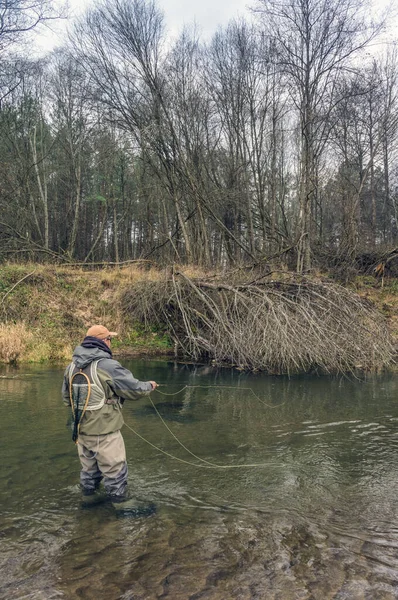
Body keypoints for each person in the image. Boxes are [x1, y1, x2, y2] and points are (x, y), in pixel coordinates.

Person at [62, 324, 158, 507]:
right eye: (109, 339)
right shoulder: (108, 366)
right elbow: (134, 389)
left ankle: (88, 502)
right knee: (115, 470)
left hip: (80, 431)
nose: (111, 343)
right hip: (105, 432)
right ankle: (123, 506)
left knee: (89, 471)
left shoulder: (71, 367)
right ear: (103, 342)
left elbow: (67, 399)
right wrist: (149, 386)